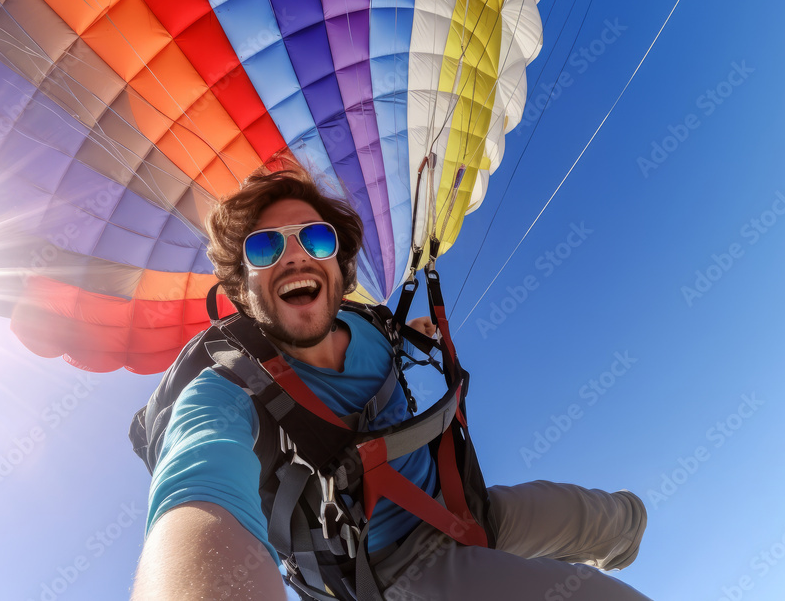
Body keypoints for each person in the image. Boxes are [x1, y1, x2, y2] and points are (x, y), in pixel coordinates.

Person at [132, 164, 651, 600]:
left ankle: (625, 538)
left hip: (465, 504)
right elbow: (198, 494)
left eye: (315, 237)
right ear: (240, 291)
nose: (295, 255)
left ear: (339, 264)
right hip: (401, 573)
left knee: (614, 518)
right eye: (265, 247)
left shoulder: (368, 323)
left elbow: (384, 329)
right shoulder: (225, 392)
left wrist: (411, 330)